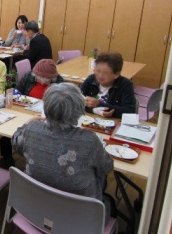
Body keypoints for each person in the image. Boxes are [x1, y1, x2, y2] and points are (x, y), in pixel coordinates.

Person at [12, 83, 114, 224]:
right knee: (109, 201)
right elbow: (107, 167)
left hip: (35, 208)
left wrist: (27, 123)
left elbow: (16, 142)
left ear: (46, 106)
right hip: (79, 218)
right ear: (79, 110)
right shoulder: (89, 140)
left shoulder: (32, 129)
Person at [0, 59, 64, 167]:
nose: (43, 82)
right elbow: (18, 91)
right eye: (40, 79)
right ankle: (7, 158)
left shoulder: (59, 83)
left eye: (47, 80)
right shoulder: (29, 76)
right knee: (7, 129)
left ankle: (38, 162)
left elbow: (61, 105)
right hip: (25, 111)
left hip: (47, 116)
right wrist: (15, 94)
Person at [81, 52, 136, 118]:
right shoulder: (91, 79)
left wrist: (99, 104)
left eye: (105, 73)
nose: (100, 75)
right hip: (89, 120)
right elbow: (75, 102)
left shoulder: (125, 84)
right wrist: (94, 110)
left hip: (112, 123)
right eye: (98, 71)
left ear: (116, 74)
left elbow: (129, 111)